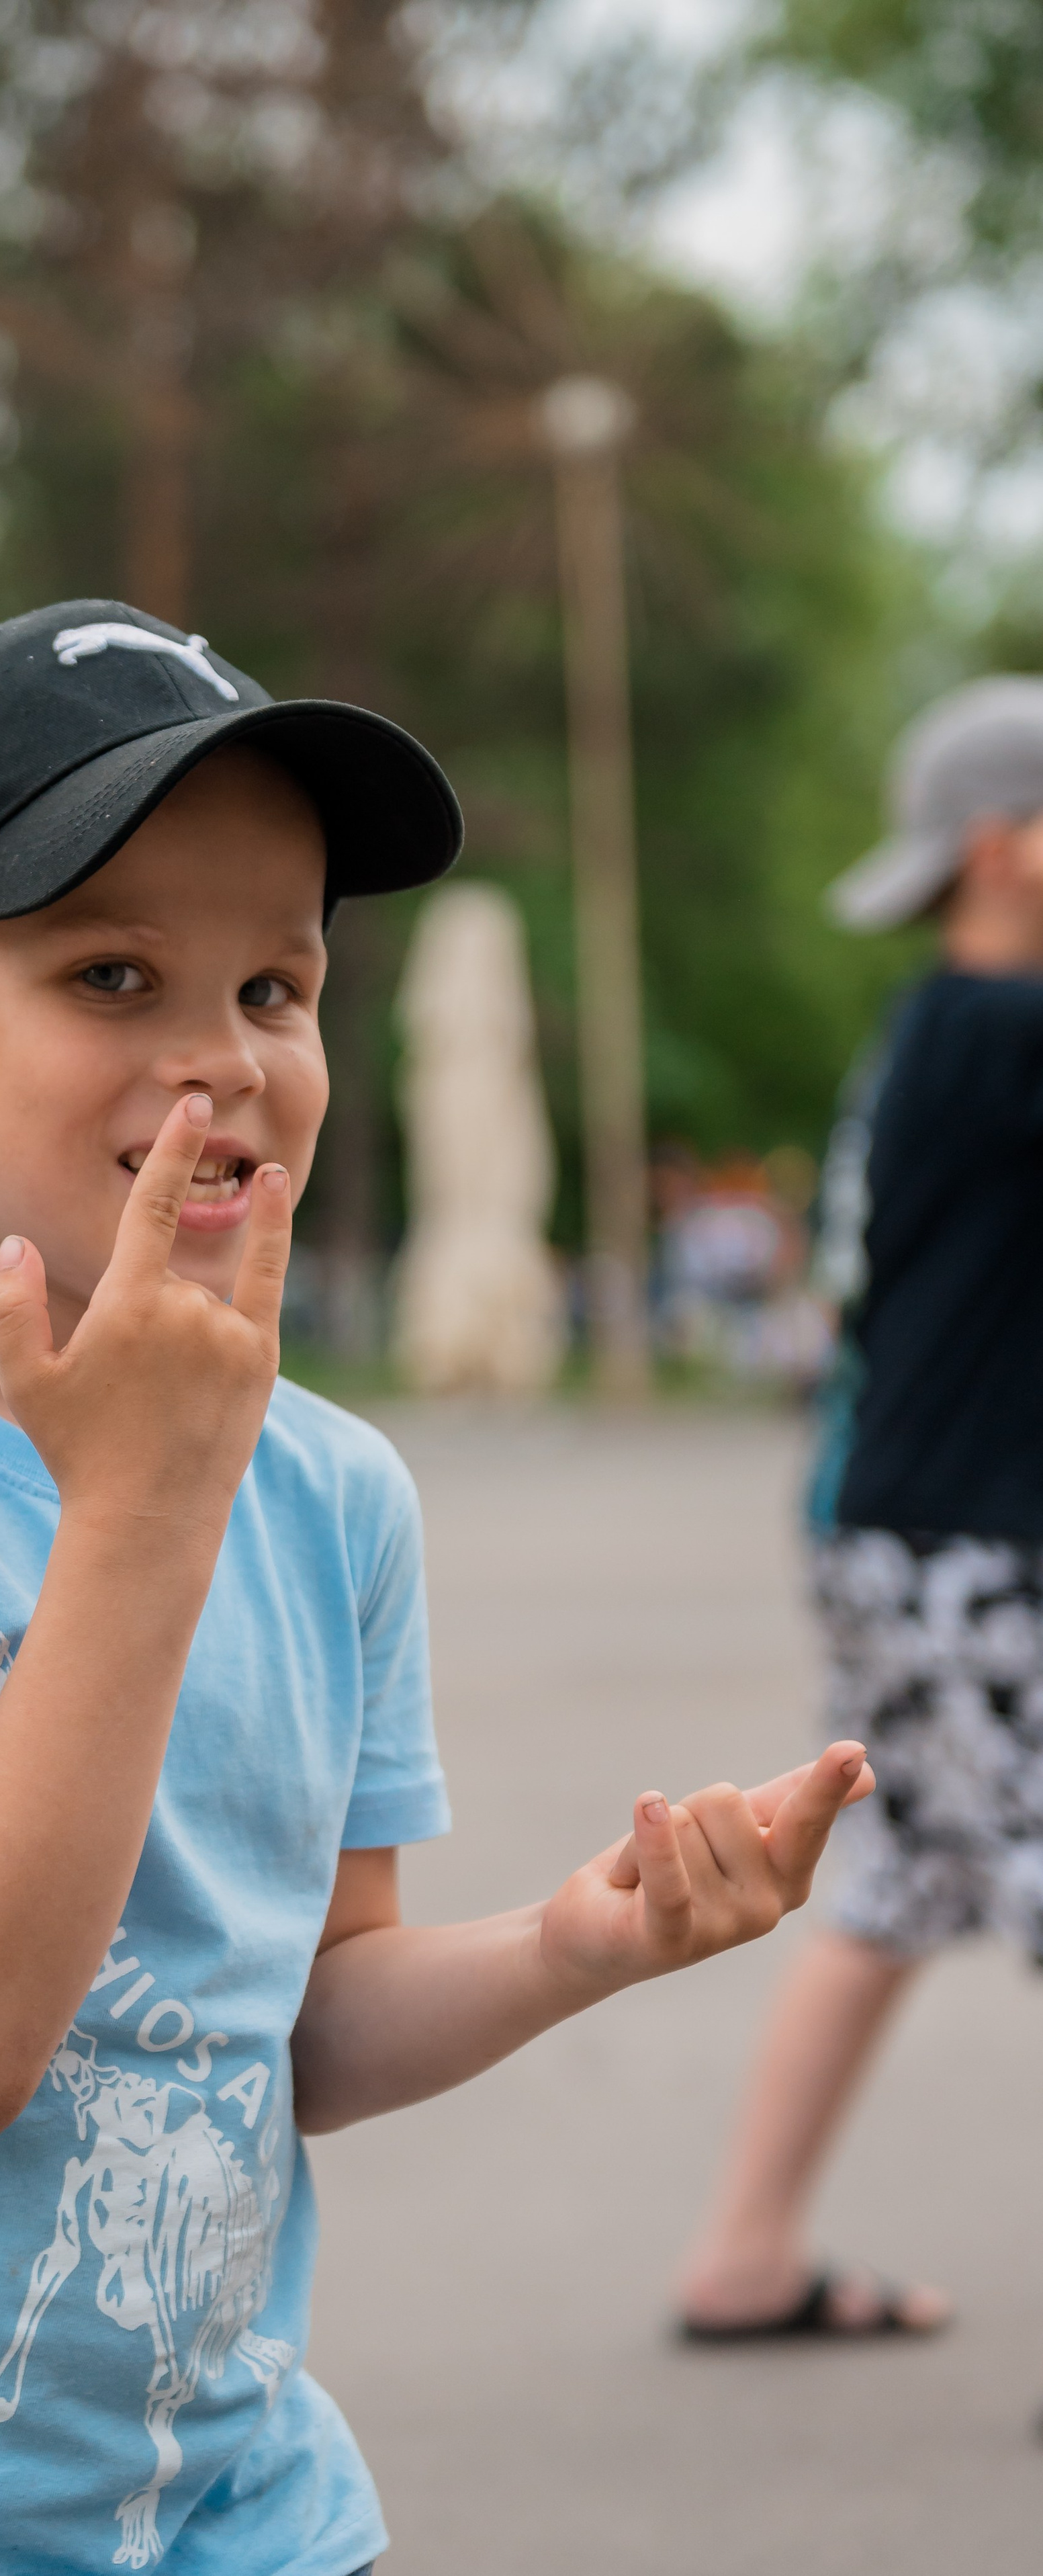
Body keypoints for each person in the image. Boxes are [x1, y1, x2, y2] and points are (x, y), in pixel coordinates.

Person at [0, 601, 872, 2576]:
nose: (222, 1058)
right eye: (111, 973)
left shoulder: (331, 1492)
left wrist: (567, 1946)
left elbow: (288, 2018)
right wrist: (145, 1505)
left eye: (273, 984)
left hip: (229, 2517)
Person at [675, 675, 1043, 2344]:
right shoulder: (1000, 1032)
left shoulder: (936, 1032)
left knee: (895, 1881)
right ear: (1010, 848)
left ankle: (744, 2252)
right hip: (968, 1544)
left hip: (889, 1530)